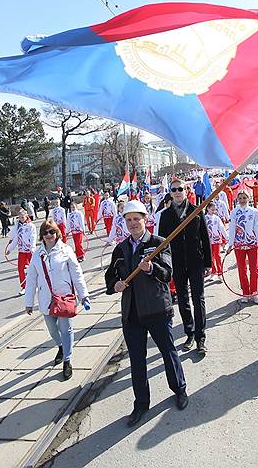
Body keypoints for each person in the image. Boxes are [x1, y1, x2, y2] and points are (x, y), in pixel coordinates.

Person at [105, 199, 188, 427]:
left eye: (136, 219)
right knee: (137, 360)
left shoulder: (159, 243)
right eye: (129, 220)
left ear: (145, 220)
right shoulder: (120, 249)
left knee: (168, 352)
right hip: (132, 314)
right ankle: (141, 404)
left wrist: (151, 269)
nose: (133, 224)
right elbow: (109, 278)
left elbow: (167, 274)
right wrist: (115, 285)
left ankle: (179, 389)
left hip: (157, 309)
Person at [26, 219, 91, 380]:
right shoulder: (37, 254)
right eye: (46, 232)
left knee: (66, 329)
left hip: (64, 297)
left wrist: (84, 296)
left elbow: (77, 274)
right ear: (42, 235)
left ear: (57, 233)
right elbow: (31, 280)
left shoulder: (66, 250)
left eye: (52, 232)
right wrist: (28, 302)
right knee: (52, 329)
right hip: (46, 299)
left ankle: (67, 360)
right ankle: (60, 346)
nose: (49, 235)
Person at [158, 178, 212, 354]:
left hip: (196, 261)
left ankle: (200, 337)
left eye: (180, 189)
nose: (177, 192)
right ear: (170, 193)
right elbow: (162, 243)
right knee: (182, 300)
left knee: (199, 299)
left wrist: (208, 263)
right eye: (173, 190)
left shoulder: (196, 210)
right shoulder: (165, 215)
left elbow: (205, 237)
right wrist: (164, 266)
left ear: (186, 189)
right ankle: (189, 332)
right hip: (177, 264)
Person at [225, 190, 258, 303]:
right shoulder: (234, 212)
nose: (242, 200)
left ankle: (254, 292)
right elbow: (232, 228)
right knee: (242, 269)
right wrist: (230, 244)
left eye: (244, 198)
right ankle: (245, 293)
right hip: (239, 244)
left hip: (252, 244)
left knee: (254, 269)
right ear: (237, 199)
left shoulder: (254, 211)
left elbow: (257, 228)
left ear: (248, 198)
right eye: (240, 198)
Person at [8, 209, 37, 296]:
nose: (21, 219)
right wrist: (10, 249)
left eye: (23, 217)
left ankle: (36, 284)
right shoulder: (18, 226)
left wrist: (32, 248)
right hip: (21, 251)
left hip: (29, 251)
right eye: (20, 217)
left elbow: (33, 237)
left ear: (26, 216)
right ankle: (24, 287)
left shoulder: (31, 226)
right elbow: (16, 239)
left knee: (33, 268)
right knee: (20, 269)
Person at [204, 201, 227, 278]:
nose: (214, 211)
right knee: (211, 257)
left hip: (216, 240)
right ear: (207, 209)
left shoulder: (217, 218)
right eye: (212, 209)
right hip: (208, 241)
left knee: (217, 256)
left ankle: (220, 272)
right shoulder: (204, 218)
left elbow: (222, 228)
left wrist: (227, 238)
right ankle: (213, 272)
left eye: (215, 210)